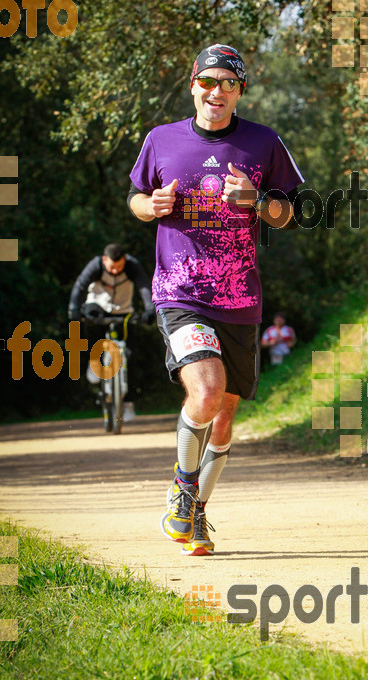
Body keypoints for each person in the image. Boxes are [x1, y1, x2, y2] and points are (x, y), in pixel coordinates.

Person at [128, 43, 304, 555]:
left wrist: (259, 200)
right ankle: (184, 488)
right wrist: (150, 206)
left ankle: (197, 512)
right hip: (179, 291)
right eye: (207, 81)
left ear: (240, 91)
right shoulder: (161, 140)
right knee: (206, 393)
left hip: (239, 299)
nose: (216, 91)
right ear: (193, 86)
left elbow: (288, 213)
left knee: (224, 414)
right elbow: (137, 197)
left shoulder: (264, 143)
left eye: (228, 83)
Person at [68, 243, 155, 419]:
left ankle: (127, 402)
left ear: (125, 261)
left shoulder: (132, 265)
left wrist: (149, 309)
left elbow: (144, 286)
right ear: (104, 260)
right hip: (98, 306)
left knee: (130, 354)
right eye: (112, 267)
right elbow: (80, 285)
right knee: (91, 320)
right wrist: (74, 308)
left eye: (119, 267)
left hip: (123, 311)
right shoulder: (96, 265)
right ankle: (95, 362)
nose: (115, 271)